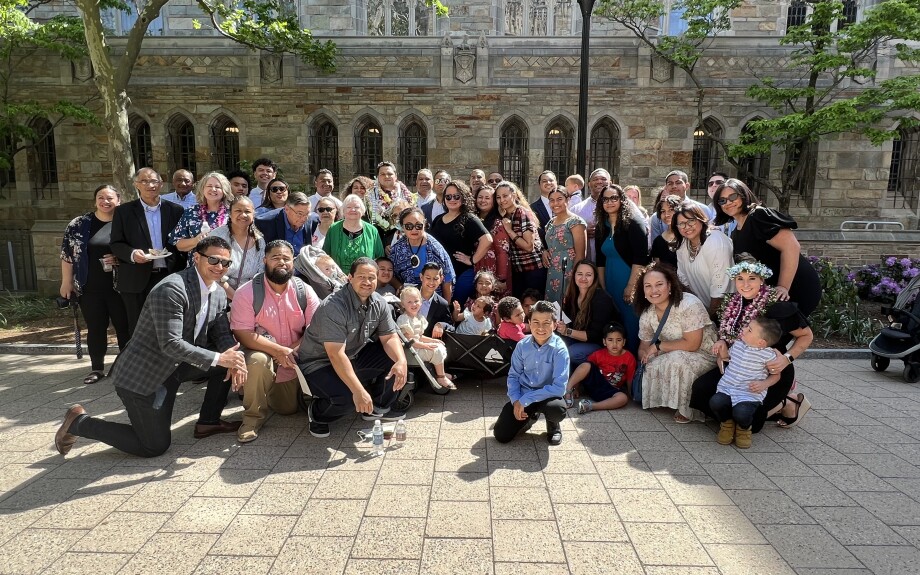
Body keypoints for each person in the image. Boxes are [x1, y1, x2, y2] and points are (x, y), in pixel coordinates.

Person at [54, 237, 249, 458]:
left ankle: (208, 422)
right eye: (213, 260)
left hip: (177, 366)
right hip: (145, 375)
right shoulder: (172, 289)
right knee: (153, 446)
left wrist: (234, 359)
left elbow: (221, 332)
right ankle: (79, 423)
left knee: (225, 364)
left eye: (226, 263)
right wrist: (221, 359)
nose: (220, 267)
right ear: (196, 258)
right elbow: (170, 343)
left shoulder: (219, 292)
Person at [689, 257, 815, 432]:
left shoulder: (776, 304)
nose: (745, 284)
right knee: (702, 390)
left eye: (752, 279)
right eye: (740, 279)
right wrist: (722, 344)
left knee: (750, 422)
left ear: (762, 280)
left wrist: (787, 359)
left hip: (769, 369)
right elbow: (728, 334)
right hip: (737, 366)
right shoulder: (733, 302)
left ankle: (787, 402)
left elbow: (806, 336)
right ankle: (732, 420)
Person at [297, 257, 409, 437]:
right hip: (320, 362)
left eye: (371, 277)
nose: (367, 282)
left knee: (394, 359)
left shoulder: (379, 302)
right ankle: (317, 414)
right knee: (348, 398)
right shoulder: (334, 306)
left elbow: (389, 337)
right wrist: (358, 391)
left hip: (352, 355)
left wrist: (401, 361)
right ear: (350, 278)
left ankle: (376, 407)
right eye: (361, 277)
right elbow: (335, 355)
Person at [230, 240, 319, 443]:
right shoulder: (247, 292)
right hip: (261, 351)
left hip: (294, 354)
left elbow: (316, 330)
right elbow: (243, 333)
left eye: (286, 258)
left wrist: (291, 350)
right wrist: (278, 350)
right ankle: (252, 419)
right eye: (275, 258)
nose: (281, 262)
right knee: (258, 361)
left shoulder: (303, 290)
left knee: (286, 409)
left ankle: (266, 391)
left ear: (293, 263)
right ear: (265, 261)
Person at [713, 178, 821, 317]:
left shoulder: (759, 216)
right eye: (722, 201)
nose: (728, 202)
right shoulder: (736, 230)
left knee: (788, 332)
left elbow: (792, 247)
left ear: (744, 195)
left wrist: (783, 286)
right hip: (773, 292)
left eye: (732, 196)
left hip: (795, 285)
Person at [60, 184, 130, 384]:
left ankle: (124, 368)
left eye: (110, 198)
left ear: (119, 200)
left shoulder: (124, 222)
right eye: (101, 197)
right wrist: (66, 282)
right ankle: (97, 368)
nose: (105, 201)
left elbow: (135, 250)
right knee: (96, 327)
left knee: (124, 328)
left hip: (120, 287)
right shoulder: (79, 224)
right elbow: (67, 254)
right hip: (89, 287)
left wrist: (119, 258)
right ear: (95, 200)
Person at [633, 263, 717, 423]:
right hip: (674, 350)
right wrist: (645, 356)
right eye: (648, 286)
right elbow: (644, 346)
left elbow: (693, 344)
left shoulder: (688, 304)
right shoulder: (648, 313)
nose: (654, 290)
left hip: (704, 353)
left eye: (659, 285)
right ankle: (665, 401)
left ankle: (688, 410)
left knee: (677, 360)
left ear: (669, 285)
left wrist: (658, 347)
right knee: (651, 363)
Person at [110, 168, 186, 335]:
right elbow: (116, 243)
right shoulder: (124, 211)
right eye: (144, 181)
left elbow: (181, 242)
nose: (150, 185)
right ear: (136, 184)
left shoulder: (176, 210)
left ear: (161, 184)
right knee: (138, 329)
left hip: (169, 275)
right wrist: (132, 254)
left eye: (154, 181)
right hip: (135, 278)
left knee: (170, 327)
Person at [493, 300, 568, 445]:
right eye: (535, 322)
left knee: (557, 409)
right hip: (523, 394)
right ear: (528, 322)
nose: (540, 328)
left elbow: (559, 387)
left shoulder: (560, 349)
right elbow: (514, 375)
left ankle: (553, 425)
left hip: (547, 396)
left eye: (546, 322)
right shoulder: (522, 345)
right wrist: (516, 400)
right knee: (501, 435)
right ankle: (529, 418)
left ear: (554, 324)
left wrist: (525, 400)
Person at [710, 316, 783, 449]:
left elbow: (776, 376)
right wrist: (721, 349)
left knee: (742, 412)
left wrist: (764, 384)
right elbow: (727, 358)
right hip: (728, 387)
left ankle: (744, 428)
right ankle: (727, 424)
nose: (743, 329)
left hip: (748, 393)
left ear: (761, 342)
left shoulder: (768, 355)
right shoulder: (738, 344)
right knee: (716, 402)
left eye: (749, 330)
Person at [594, 183, 650, 353]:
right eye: (605, 199)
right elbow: (600, 259)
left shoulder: (633, 224)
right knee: (614, 324)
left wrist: (631, 286)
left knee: (631, 324)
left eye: (614, 198)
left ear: (622, 200)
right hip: (610, 281)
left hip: (630, 281)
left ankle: (634, 363)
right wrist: (603, 287)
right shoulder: (601, 226)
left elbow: (640, 258)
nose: (609, 202)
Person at [429, 180, 492, 305]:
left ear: (463, 198)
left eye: (456, 196)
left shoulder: (469, 218)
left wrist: (472, 259)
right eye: (448, 196)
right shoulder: (438, 219)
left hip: (462, 273)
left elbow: (487, 239)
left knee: (456, 308)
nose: (452, 199)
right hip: (439, 275)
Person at [673, 201, 733, 317]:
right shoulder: (683, 245)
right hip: (702, 310)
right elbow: (684, 281)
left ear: (701, 219)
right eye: (681, 224)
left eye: (691, 221)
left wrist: (710, 318)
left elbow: (720, 288)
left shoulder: (716, 242)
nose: (687, 227)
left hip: (725, 313)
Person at [556, 260, 619, 366]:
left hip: (599, 343)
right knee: (554, 347)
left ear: (594, 277)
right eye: (579, 274)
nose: (583, 278)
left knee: (570, 353)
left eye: (588, 275)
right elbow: (567, 320)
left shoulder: (602, 298)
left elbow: (595, 335)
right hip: (577, 338)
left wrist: (567, 331)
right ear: (574, 275)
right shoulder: (573, 294)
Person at [564, 323, 635, 415]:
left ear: (624, 342)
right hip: (594, 383)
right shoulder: (598, 354)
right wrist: (576, 387)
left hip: (610, 390)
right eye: (610, 340)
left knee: (622, 398)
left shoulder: (629, 357)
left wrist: (629, 393)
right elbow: (583, 371)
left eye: (618, 340)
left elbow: (630, 378)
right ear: (604, 342)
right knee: (586, 365)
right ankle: (568, 390)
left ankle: (590, 406)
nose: (614, 344)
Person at [495, 181, 546, 299]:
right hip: (518, 270)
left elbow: (529, 246)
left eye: (505, 196)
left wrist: (510, 231)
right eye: (498, 197)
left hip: (533, 269)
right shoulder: (506, 215)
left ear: (514, 195)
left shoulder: (522, 212)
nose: (502, 200)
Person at [169, 172, 234, 265]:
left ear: (224, 190)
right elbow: (179, 245)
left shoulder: (232, 213)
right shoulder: (191, 212)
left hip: (225, 267)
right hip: (197, 268)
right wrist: (196, 241)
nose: (213, 189)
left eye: (218, 187)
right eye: (209, 186)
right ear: (203, 189)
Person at [398, 286, 455, 390]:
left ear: (421, 302)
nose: (413, 304)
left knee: (439, 345)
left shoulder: (418, 318)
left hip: (417, 347)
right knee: (435, 350)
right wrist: (426, 345)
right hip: (410, 351)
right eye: (409, 302)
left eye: (416, 301)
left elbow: (419, 336)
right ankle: (441, 376)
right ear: (403, 304)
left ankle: (440, 373)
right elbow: (410, 340)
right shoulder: (404, 320)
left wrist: (432, 340)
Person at [390, 207, 455, 298]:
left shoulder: (435, 248)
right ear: (402, 227)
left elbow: (447, 278)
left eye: (418, 226)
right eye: (409, 226)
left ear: (424, 224)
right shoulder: (396, 249)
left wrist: (446, 306)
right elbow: (390, 274)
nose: (414, 230)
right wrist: (400, 287)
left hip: (434, 299)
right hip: (408, 299)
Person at [209, 196, 265, 301]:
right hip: (216, 296)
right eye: (238, 210)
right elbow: (210, 271)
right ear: (230, 214)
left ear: (253, 215)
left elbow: (260, 274)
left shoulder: (259, 241)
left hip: (249, 298)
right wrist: (236, 298)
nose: (243, 215)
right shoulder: (217, 236)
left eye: (247, 211)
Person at [544, 187, 586, 302]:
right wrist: (544, 251)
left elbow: (581, 255)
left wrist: (572, 281)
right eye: (552, 200)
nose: (555, 203)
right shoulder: (550, 223)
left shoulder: (575, 222)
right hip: (552, 272)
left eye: (559, 199)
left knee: (566, 307)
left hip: (568, 272)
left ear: (567, 200)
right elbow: (550, 245)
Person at [322, 194, 384, 273]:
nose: (353, 210)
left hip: (365, 280)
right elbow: (325, 256)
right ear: (343, 211)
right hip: (338, 280)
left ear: (362, 210)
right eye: (348, 207)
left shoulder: (372, 231)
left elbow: (380, 258)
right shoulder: (333, 229)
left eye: (357, 207)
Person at [474, 184, 512, 298]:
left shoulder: (498, 223)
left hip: (494, 271)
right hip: (477, 268)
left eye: (487, 198)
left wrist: (502, 278)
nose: (483, 201)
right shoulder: (473, 220)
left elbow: (502, 252)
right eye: (480, 197)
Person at [650, 171, 707, 242]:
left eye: (678, 183)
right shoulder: (658, 217)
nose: (674, 186)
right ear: (666, 188)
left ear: (687, 186)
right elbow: (656, 246)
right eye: (670, 184)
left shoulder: (703, 210)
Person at [254, 192, 312, 257]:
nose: (304, 218)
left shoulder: (312, 220)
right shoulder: (264, 223)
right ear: (287, 209)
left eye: (307, 214)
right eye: (300, 214)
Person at [367, 161, 414, 234]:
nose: (386, 176)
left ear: (395, 176)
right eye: (383, 174)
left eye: (389, 174)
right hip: (379, 235)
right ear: (378, 177)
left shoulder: (406, 193)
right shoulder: (370, 195)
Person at [571, 170, 604, 262]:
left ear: (610, 183)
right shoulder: (576, 210)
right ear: (589, 184)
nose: (599, 182)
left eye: (603, 179)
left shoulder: (616, 208)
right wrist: (582, 233)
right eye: (595, 179)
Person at [418, 263, 453, 338]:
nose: (431, 282)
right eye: (428, 278)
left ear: (441, 279)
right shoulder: (409, 292)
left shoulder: (442, 304)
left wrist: (441, 325)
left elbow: (451, 327)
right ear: (421, 277)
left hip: (427, 344)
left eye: (435, 279)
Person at [650, 193, 680, 268]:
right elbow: (658, 268)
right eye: (663, 211)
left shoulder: (688, 236)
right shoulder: (658, 241)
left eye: (671, 210)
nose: (667, 214)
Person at [529, 170, 557, 246]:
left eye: (551, 180)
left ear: (556, 183)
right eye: (544, 181)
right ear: (539, 185)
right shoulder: (532, 208)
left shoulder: (566, 204)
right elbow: (535, 233)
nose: (548, 183)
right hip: (544, 252)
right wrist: (543, 251)